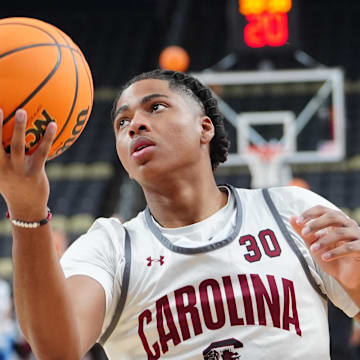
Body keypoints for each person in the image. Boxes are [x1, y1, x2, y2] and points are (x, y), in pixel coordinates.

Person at [0, 69, 360, 360]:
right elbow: (56, 350)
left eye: (155, 107)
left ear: (205, 127)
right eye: (122, 123)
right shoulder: (109, 248)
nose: (135, 125)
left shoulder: (291, 211)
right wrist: (27, 210)